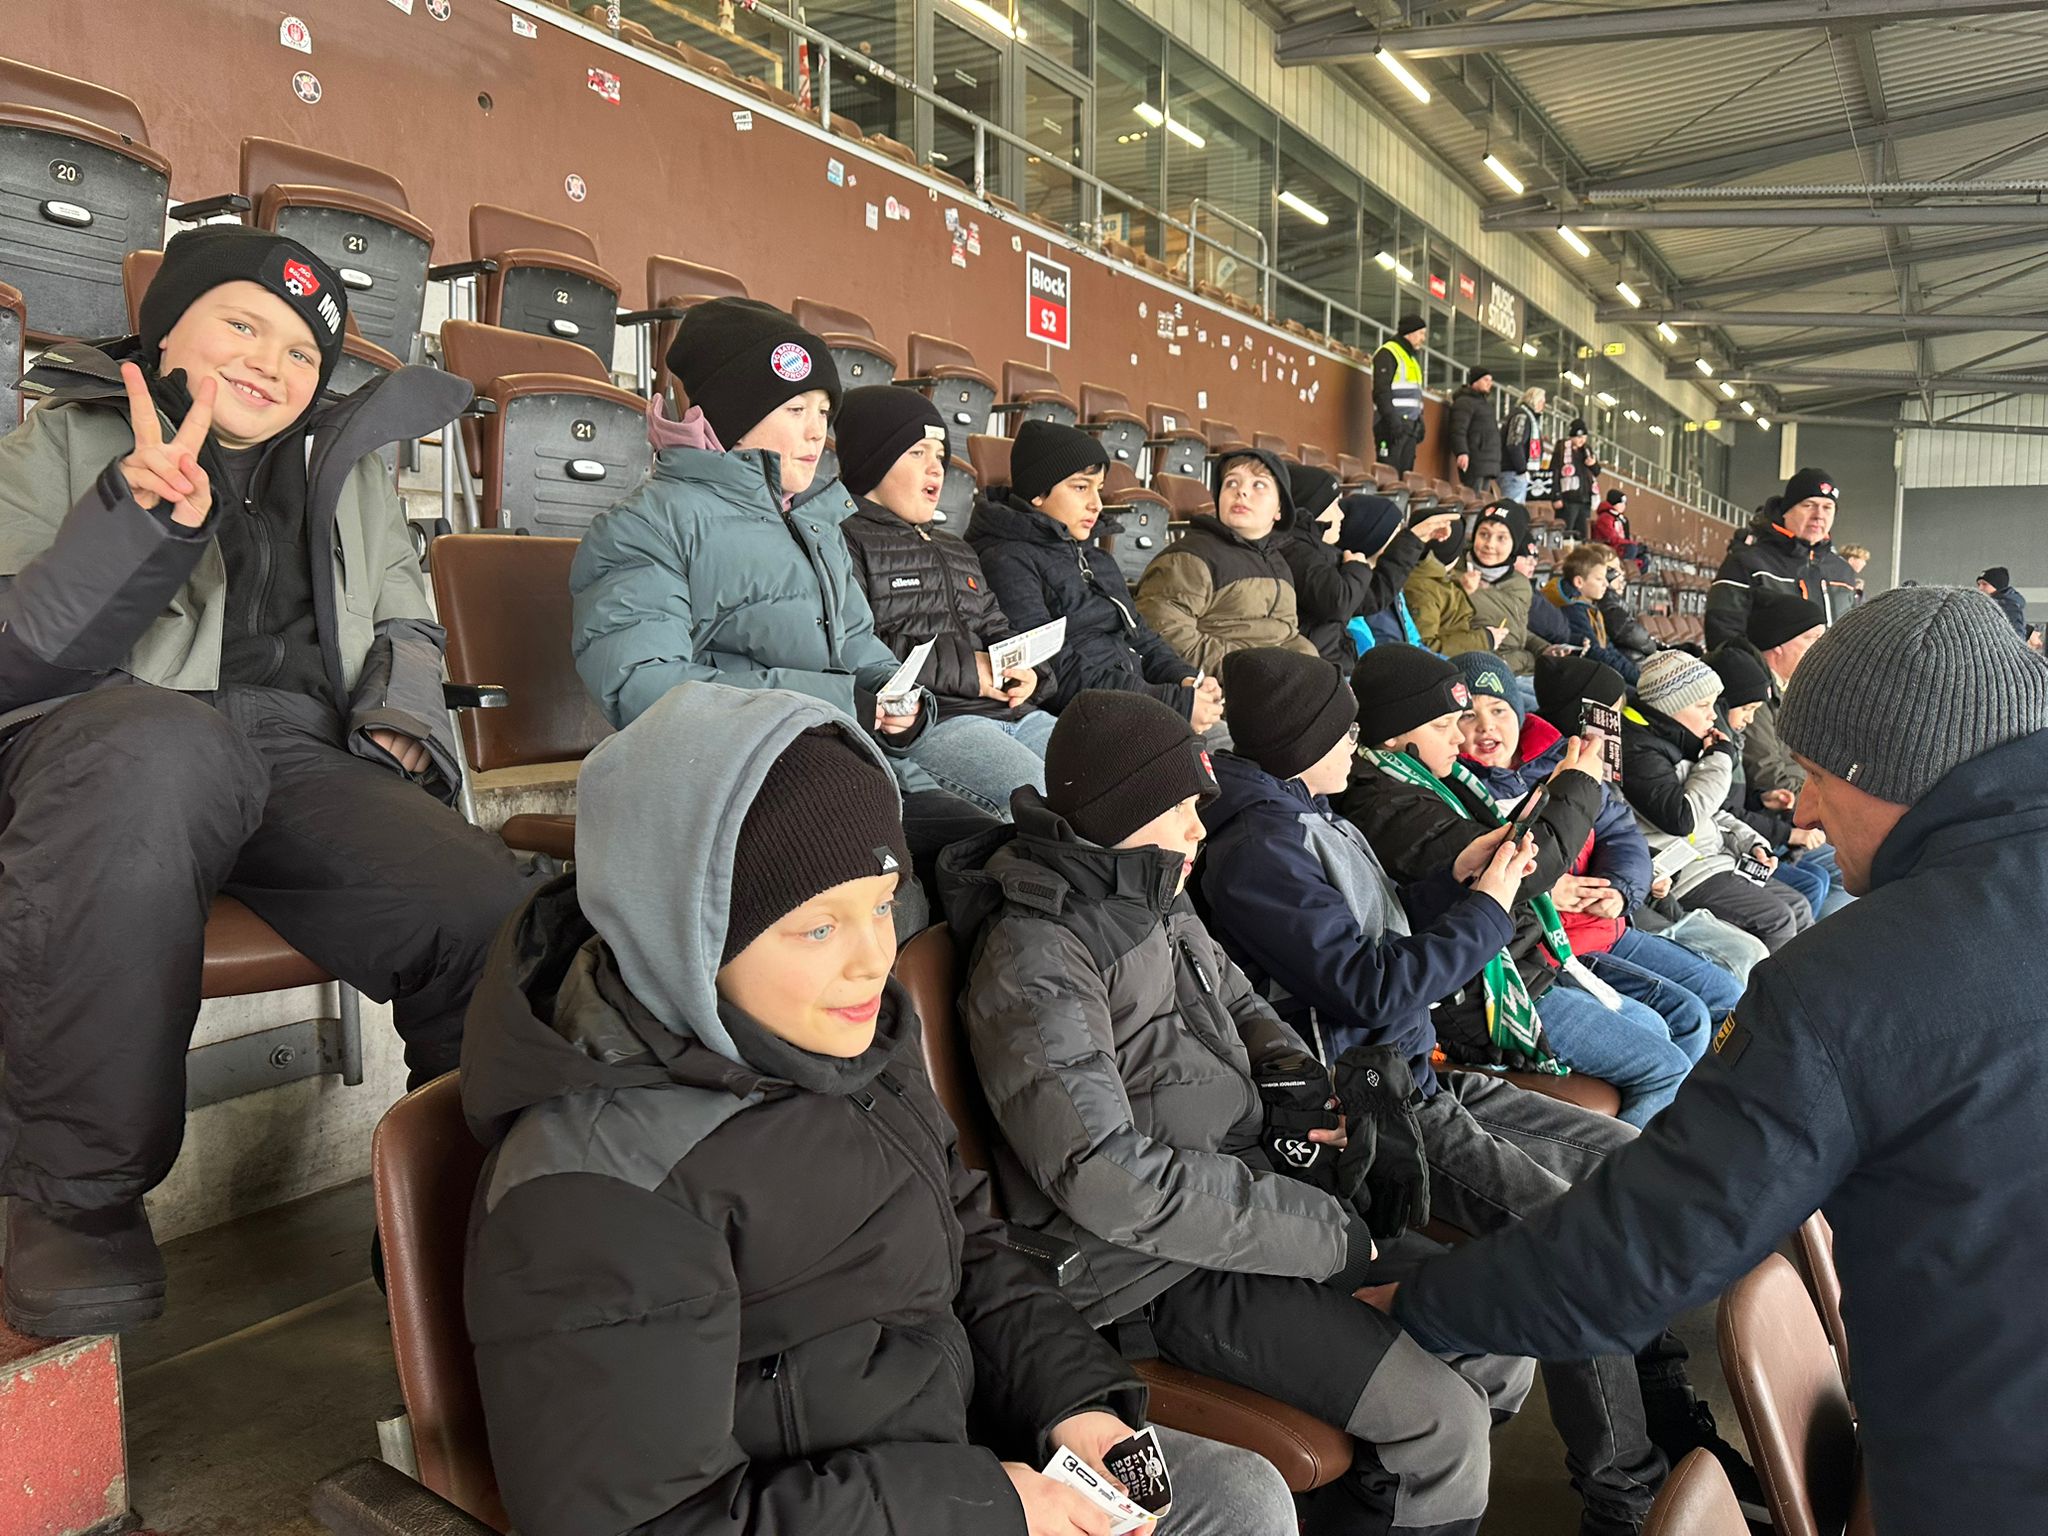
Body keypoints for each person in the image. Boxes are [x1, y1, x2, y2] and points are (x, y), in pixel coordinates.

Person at [462, 682, 1300, 1536]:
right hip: (893, 1505)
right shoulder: (596, 1189)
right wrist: (987, 1507)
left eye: (879, 904)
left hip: (949, 1450)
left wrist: (1072, 1400)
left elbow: (969, 1244)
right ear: (685, 928)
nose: (873, 959)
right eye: (818, 928)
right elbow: (649, 1523)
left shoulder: (855, 1049)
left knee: (1243, 1501)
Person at [1379, 585, 2048, 1536]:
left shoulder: (1856, 980)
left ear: (1894, 768)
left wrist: (1418, 1303)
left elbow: (1640, 1255)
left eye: (1820, 773)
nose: (1806, 806)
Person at [0, 226, 534, 1338]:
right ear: (166, 328)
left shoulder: (349, 468)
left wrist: (400, 717)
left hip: (298, 752)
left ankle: (460, 1204)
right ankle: (76, 1198)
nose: (271, 364)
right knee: (157, 754)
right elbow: (18, 656)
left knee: (489, 901)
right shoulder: (60, 439)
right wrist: (135, 524)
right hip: (113, 735)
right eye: (243, 324)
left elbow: (404, 617)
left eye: (301, 351)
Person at [942, 688, 1533, 1536]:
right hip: (1155, 1272)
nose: (1196, 829)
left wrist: (1297, 1084)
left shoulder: (1152, 890)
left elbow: (1240, 1001)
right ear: (1124, 811)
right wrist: (1322, 1231)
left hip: (1246, 1200)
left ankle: (1368, 1496)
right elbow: (1108, 1180)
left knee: (1499, 1336)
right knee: (1444, 1423)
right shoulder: (1037, 953)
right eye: (1182, 808)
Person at [1198, 646, 1755, 1535]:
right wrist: (1490, 905)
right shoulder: (1257, 844)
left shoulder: (1306, 811)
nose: (1360, 741)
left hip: (1418, 1072)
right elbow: (1368, 987)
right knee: (1576, 1249)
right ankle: (1625, 1491)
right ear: (1303, 740)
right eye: (1345, 729)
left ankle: (1658, 1411)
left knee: (1631, 1170)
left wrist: (1448, 883)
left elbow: (1376, 928)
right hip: (1377, 1098)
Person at [569, 298, 992, 900]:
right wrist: (843, 701)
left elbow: (856, 644)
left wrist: (897, 699)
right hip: (737, 781)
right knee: (909, 893)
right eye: (795, 409)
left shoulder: (812, 524)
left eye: (823, 411)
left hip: (845, 766)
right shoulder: (646, 525)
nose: (817, 431)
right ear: (733, 413)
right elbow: (646, 689)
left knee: (1005, 849)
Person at [1340, 646, 1705, 1127]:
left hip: (1522, 961)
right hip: (1478, 997)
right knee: (1667, 1066)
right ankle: (1627, 1181)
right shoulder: (1388, 804)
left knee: (1664, 1023)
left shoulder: (1426, 781)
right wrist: (1576, 785)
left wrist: (1556, 790)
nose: (1461, 736)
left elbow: (1504, 844)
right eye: (1443, 725)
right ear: (1392, 737)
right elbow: (1523, 868)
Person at [1453, 652, 1742, 1030]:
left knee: (1727, 994)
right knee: (1686, 1020)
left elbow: (1620, 831)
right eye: (1468, 715)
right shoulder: (1454, 784)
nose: (1486, 726)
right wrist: (1543, 890)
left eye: (1499, 710)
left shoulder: (1557, 753)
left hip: (1610, 925)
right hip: (1553, 947)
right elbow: (1469, 878)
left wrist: (1620, 889)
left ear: (1519, 714)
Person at [834, 385, 1054, 818]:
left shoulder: (956, 548)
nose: (936, 469)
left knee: (1118, 788)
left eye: (940, 456)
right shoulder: (843, 537)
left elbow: (996, 626)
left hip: (1015, 713)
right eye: (917, 453)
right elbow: (862, 646)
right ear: (873, 458)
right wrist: (971, 671)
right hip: (937, 720)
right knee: (1042, 804)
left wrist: (1029, 672)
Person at [969, 421, 1223, 732]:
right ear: (1038, 493)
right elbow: (1054, 670)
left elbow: (1140, 634)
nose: (1096, 504)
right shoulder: (1006, 559)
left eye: (1098, 488)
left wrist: (1184, 678)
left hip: (1138, 700)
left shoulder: (1094, 555)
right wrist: (1170, 703)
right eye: (1080, 487)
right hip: (1090, 718)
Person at [1617, 651, 1813, 952]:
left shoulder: (1678, 742)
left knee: (1799, 906)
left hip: (1718, 858)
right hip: (1688, 874)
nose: (1712, 715)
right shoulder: (1640, 752)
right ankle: (1773, 997)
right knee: (1778, 920)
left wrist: (1752, 843)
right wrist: (1721, 757)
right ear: (1672, 707)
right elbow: (1684, 818)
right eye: (1703, 705)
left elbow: (1714, 811)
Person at [1134, 447, 1320, 672]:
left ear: (1280, 508)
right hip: (1220, 693)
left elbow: (1287, 635)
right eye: (1231, 483)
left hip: (1275, 686)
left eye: (1258, 485)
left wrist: (1316, 672)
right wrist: (1255, 672)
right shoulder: (1189, 558)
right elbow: (1165, 637)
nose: (1241, 492)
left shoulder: (1278, 563)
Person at [1704, 643, 1842, 922]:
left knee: (1817, 880)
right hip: (1729, 847)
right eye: (1747, 709)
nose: (1750, 719)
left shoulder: (1732, 741)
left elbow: (1733, 803)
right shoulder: (1715, 748)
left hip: (1753, 833)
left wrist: (1762, 799)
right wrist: (1788, 834)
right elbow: (1721, 813)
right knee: (1809, 889)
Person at [1273, 467, 1461, 666]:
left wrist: (1413, 539)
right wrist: (1357, 568)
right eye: (1334, 505)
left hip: (1330, 667)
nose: (1341, 516)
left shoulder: (1319, 553)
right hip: (1318, 671)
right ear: (1315, 508)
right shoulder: (1294, 549)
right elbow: (1339, 602)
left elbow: (1371, 597)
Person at [1704, 467, 1859, 647]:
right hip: (1766, 675)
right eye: (1809, 505)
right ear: (1786, 511)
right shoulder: (1747, 563)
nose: (1818, 515)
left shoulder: (1843, 572)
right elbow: (1723, 638)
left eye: (1827, 507)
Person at [1346, 495, 1452, 654]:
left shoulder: (1393, 584)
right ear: (1372, 537)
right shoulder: (1351, 587)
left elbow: (1415, 642)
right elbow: (1367, 655)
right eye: (1395, 531)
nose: (1400, 539)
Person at [1543, 544, 1641, 684]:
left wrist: (1636, 674)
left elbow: (1608, 649)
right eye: (1599, 579)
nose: (1606, 584)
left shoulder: (1589, 608)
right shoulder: (1573, 610)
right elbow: (1595, 654)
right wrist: (1638, 679)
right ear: (1579, 582)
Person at [1372, 314, 1428, 476]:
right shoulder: (1388, 353)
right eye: (1421, 333)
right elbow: (1381, 391)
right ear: (1409, 333)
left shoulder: (1412, 359)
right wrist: (1392, 420)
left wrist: (1419, 421)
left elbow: (1415, 396)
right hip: (1390, 426)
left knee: (1405, 479)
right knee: (1388, 476)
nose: (1423, 338)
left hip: (1409, 427)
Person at [1446, 366, 1502, 498]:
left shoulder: (1485, 404)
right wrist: (1462, 452)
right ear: (1475, 381)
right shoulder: (1464, 402)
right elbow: (1458, 429)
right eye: (1486, 379)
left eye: (1491, 380)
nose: (1490, 383)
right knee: (1472, 500)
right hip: (1476, 460)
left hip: (1487, 461)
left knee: (1482, 501)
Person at [1595, 557, 1658, 670]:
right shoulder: (1606, 602)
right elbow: (1629, 632)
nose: (1621, 573)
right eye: (1613, 569)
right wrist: (1653, 646)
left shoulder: (1613, 601)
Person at [1548, 420, 1599, 540]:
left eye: (1584, 437)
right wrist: (1556, 496)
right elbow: (1553, 473)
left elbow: (1596, 472)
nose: (1582, 440)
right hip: (1568, 500)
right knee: (1565, 531)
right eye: (1579, 437)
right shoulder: (1561, 449)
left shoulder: (1587, 451)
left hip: (1585, 500)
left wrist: (1593, 464)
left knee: (1581, 535)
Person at [1499, 386, 1545, 507]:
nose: (1543, 406)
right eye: (1541, 402)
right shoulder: (1522, 416)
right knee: (1512, 510)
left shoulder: (1525, 416)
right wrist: (1522, 469)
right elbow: (1514, 444)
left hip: (1516, 473)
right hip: (1513, 473)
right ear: (1534, 400)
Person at [1590, 489, 1648, 574]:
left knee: (1644, 558)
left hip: (1620, 547)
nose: (1624, 506)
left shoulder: (1622, 520)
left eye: (1625, 504)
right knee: (1632, 548)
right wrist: (1632, 544)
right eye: (1621, 503)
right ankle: (1621, 573)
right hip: (1609, 548)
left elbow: (1626, 537)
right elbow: (1612, 538)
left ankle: (1634, 579)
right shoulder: (1605, 518)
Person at [1977, 566, 2028, 637]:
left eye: (1984, 584)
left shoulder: (2009, 607)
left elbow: (2017, 637)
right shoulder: (1986, 604)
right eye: (1978, 584)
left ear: (1997, 586)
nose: (1980, 588)